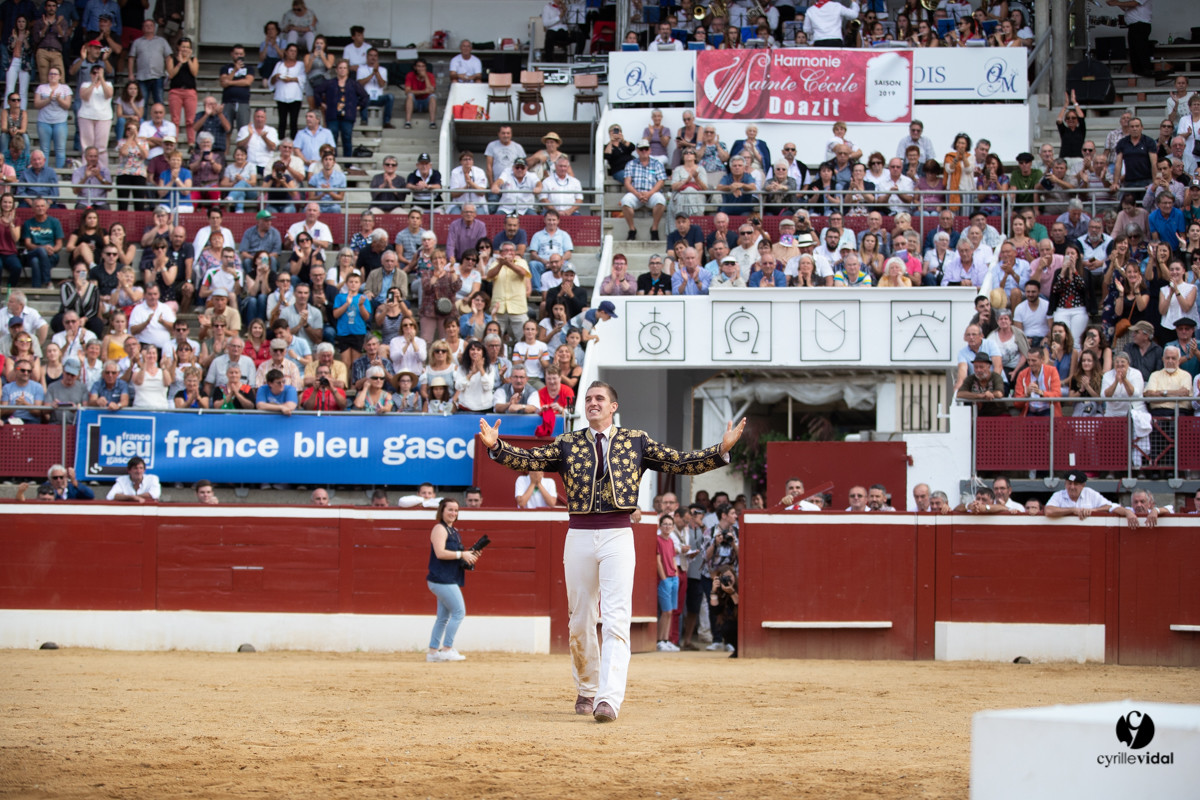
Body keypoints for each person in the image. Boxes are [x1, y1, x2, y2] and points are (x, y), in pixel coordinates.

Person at [479, 382, 745, 722]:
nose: (592, 403)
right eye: (588, 399)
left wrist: (719, 450)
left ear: (613, 406)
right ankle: (587, 687)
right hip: (578, 533)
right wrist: (497, 447)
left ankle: (608, 698)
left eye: (599, 399)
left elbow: (678, 462)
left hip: (618, 533)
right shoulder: (568, 443)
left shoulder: (636, 440)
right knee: (579, 619)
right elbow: (530, 459)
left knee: (617, 616)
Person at [426, 497, 478, 661]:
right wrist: (462, 554)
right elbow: (440, 553)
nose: (453, 513)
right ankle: (447, 648)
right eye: (450, 509)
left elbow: (454, 556)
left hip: (447, 577)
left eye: (456, 510)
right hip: (442, 579)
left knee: (442, 618)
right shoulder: (440, 529)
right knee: (459, 612)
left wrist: (468, 557)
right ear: (442, 511)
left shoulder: (453, 531)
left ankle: (433, 652)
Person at [403, 57, 435, 129]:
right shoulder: (410, 75)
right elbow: (407, 91)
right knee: (410, 95)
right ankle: (408, 122)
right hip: (415, 103)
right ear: (415, 67)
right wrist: (423, 91)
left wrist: (425, 77)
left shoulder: (430, 75)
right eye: (419, 66)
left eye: (423, 66)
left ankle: (432, 122)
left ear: (426, 67)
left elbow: (431, 90)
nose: (421, 69)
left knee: (432, 96)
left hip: (426, 103)